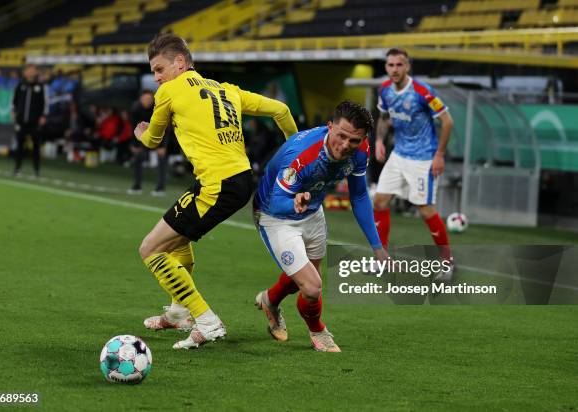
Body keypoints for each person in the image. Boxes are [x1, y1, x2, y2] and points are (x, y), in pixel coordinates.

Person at [134, 34, 298, 349]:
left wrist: (140, 133)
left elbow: (153, 140)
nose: (156, 78)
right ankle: (178, 311)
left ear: (179, 63)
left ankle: (207, 321)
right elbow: (281, 110)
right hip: (237, 179)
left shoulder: (169, 91)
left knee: (151, 249)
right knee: (177, 238)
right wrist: (298, 159)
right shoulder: (226, 90)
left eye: (159, 69)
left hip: (216, 185)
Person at [253, 101, 388, 352]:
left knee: (304, 281)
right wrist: (294, 201)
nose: (346, 145)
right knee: (313, 287)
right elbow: (277, 199)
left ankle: (269, 301)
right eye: (341, 136)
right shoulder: (303, 154)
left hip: (313, 211)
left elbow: (358, 197)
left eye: (354, 141)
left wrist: (377, 246)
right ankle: (318, 332)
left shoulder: (361, 150)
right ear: (329, 127)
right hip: (275, 214)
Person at [373, 48, 455, 280]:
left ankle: (447, 262)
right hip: (398, 155)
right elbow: (384, 117)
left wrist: (439, 154)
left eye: (399, 65)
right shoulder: (385, 91)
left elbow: (447, 121)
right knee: (379, 201)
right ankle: (382, 260)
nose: (394, 70)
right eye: (390, 65)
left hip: (423, 159)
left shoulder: (422, 92)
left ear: (407, 67)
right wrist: (379, 140)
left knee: (425, 210)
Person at [128, 90, 169, 196]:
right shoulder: (135, 109)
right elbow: (133, 127)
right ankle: (137, 186)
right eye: (145, 99)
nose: (147, 101)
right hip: (143, 136)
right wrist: (135, 144)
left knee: (161, 159)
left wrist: (162, 145)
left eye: (149, 99)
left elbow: (165, 126)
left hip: (159, 135)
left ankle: (160, 188)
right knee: (138, 157)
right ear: (140, 99)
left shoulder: (158, 108)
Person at [11, 64, 48, 177]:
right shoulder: (20, 85)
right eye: (29, 70)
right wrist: (13, 112)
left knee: (36, 146)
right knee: (20, 145)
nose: (31, 72)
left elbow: (45, 103)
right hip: (21, 121)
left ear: (36, 72)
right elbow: (14, 101)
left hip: (35, 121)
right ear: (25, 72)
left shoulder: (41, 87)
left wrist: (43, 116)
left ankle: (36, 170)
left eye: (33, 70)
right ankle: (17, 169)